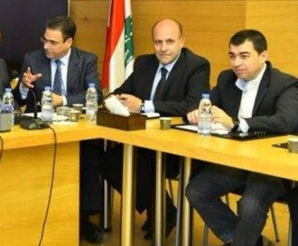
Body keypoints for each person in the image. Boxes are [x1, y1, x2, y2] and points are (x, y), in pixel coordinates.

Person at [185, 29, 298, 246]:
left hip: (271, 168)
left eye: (244, 56)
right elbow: (208, 106)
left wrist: (237, 123)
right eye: (232, 56)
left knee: (250, 204)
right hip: (235, 163)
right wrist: (197, 114)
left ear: (263, 56)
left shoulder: (285, 84)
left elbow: (285, 121)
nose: (236, 63)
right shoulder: (226, 79)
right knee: (196, 191)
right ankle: (249, 241)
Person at [101, 18, 210, 239]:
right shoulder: (144, 63)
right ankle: (164, 211)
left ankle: (161, 214)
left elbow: (191, 105)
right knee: (107, 160)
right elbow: (121, 91)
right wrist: (116, 100)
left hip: (176, 145)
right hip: (142, 139)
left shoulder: (196, 66)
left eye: (169, 41)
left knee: (143, 163)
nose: (163, 48)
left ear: (182, 41)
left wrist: (143, 105)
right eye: (158, 42)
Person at [18, 15, 104, 243]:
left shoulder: (86, 60)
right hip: (40, 129)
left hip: (77, 128)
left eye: (53, 42)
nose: (46, 46)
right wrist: (24, 86)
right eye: (44, 40)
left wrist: (63, 100)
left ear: (69, 42)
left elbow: (95, 95)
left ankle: (83, 220)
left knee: (88, 155)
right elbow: (20, 98)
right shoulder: (32, 58)